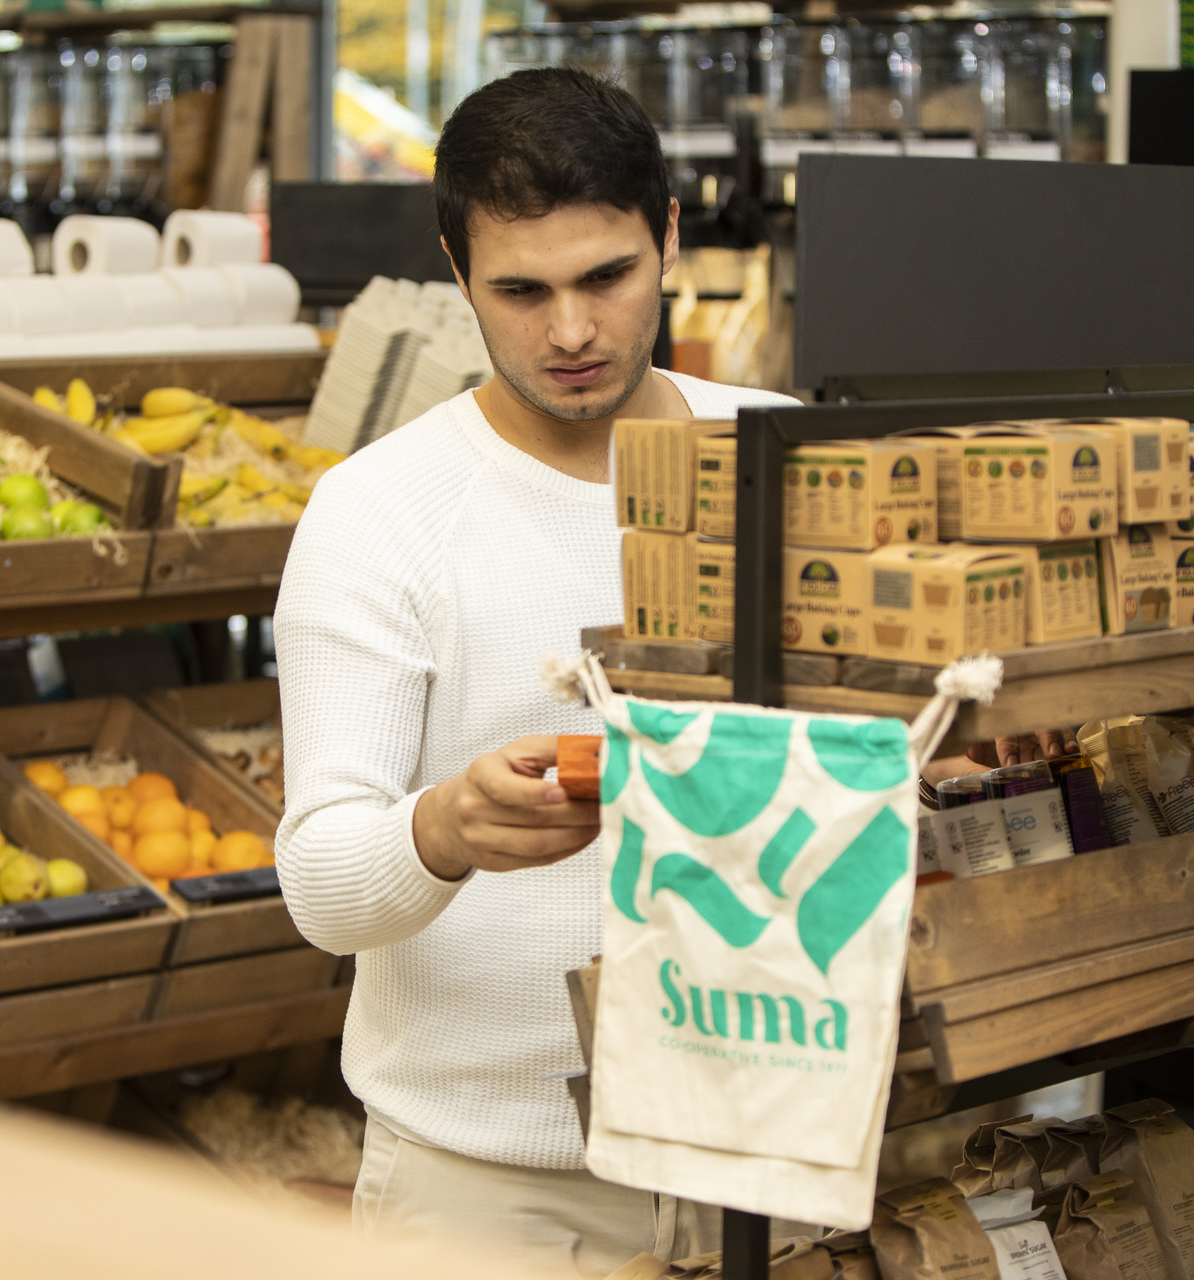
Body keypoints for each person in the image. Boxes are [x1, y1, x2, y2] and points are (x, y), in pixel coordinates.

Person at [271, 67, 796, 1276]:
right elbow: (321, 885)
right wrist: (445, 826)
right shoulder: (378, 512)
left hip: (759, 1153)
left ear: (668, 237)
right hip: (491, 1193)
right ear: (459, 276)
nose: (570, 331)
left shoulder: (774, 450)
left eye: (606, 277)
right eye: (521, 290)